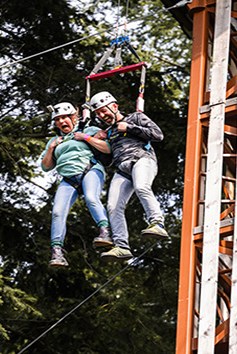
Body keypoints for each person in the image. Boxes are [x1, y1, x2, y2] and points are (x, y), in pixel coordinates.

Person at [89, 91, 169, 262]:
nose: (103, 116)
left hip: (142, 159)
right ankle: (121, 246)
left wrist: (130, 128)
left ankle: (158, 223)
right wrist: (96, 141)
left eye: (104, 111)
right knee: (113, 205)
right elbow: (107, 160)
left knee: (142, 187)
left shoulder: (135, 117)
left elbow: (158, 135)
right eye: (99, 114)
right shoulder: (109, 132)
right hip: (122, 168)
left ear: (114, 106)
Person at [41, 102, 113, 268]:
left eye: (65, 117)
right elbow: (46, 166)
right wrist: (51, 148)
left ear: (74, 118)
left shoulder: (87, 130)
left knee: (91, 197)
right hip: (68, 179)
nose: (61, 121)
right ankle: (57, 251)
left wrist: (87, 137)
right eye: (58, 119)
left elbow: (107, 148)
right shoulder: (55, 140)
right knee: (58, 212)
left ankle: (105, 232)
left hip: (90, 169)